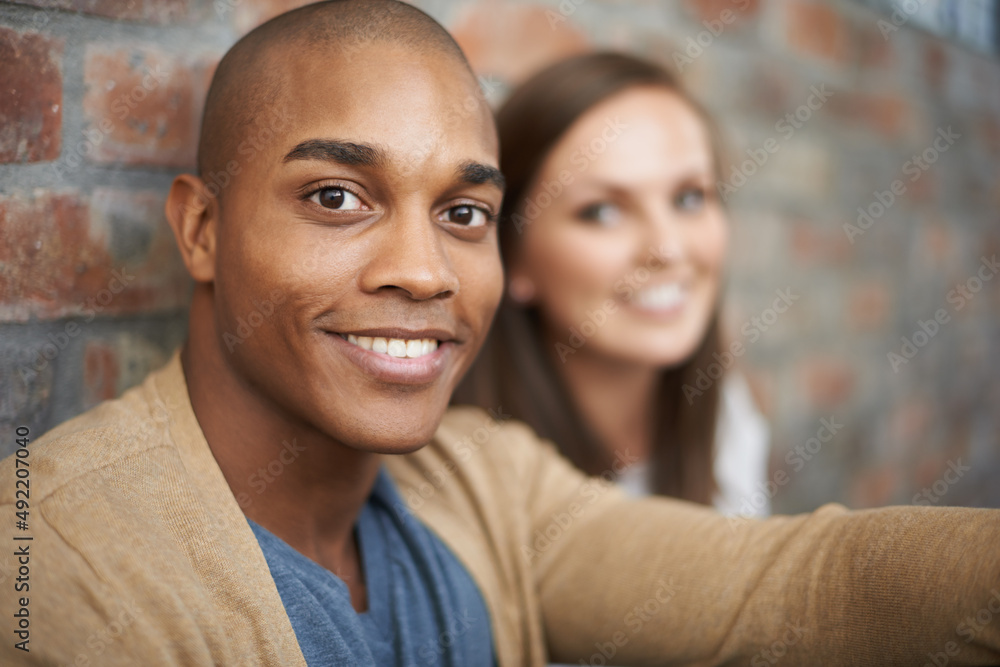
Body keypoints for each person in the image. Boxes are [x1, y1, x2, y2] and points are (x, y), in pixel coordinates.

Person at [2, 2, 999, 665]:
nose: (424, 270)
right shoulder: (58, 568)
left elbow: (794, 587)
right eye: (338, 196)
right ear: (203, 229)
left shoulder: (482, 479)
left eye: (463, 213)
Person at [454, 52, 771, 516]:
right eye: (602, 211)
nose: (667, 248)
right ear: (510, 253)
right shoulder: (460, 474)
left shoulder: (728, 417)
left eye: (689, 197)